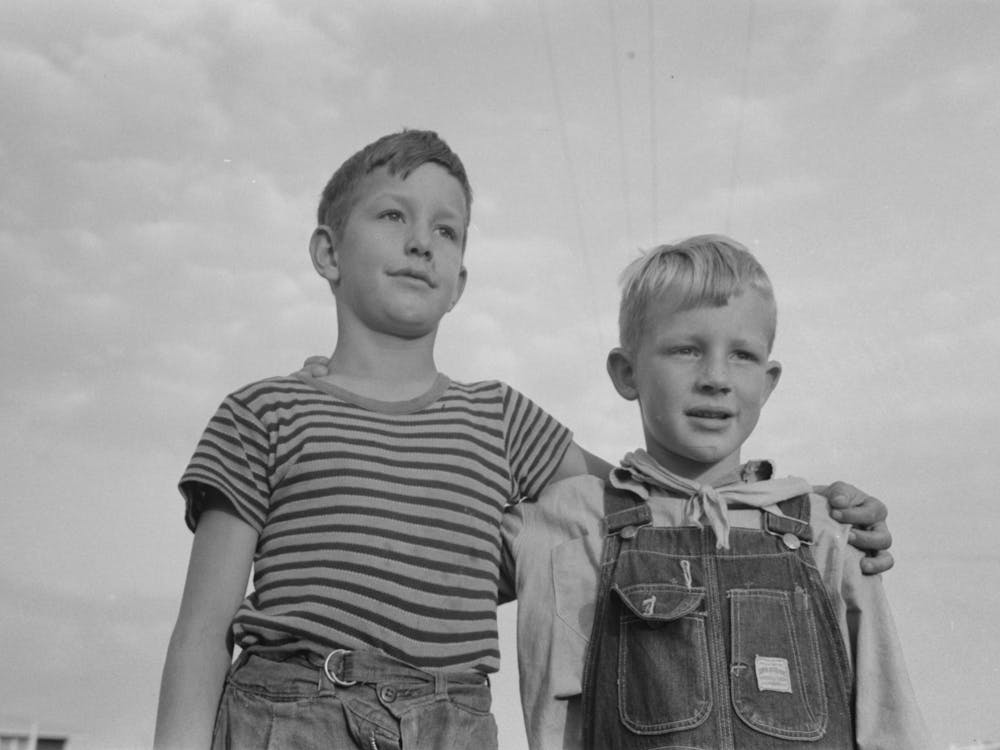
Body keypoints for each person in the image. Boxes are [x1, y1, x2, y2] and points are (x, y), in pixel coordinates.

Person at [154, 130, 892, 750]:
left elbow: (655, 499)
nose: (420, 242)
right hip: (289, 711)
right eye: (391, 216)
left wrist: (807, 508)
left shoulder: (501, 418)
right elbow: (200, 631)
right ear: (326, 252)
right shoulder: (264, 412)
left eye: (446, 230)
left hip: (451, 720)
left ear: (462, 278)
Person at [502, 235, 928, 749]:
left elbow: (891, 726)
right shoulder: (570, 522)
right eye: (686, 350)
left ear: (769, 382)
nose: (716, 378)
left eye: (743, 355)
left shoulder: (827, 532)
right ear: (626, 372)